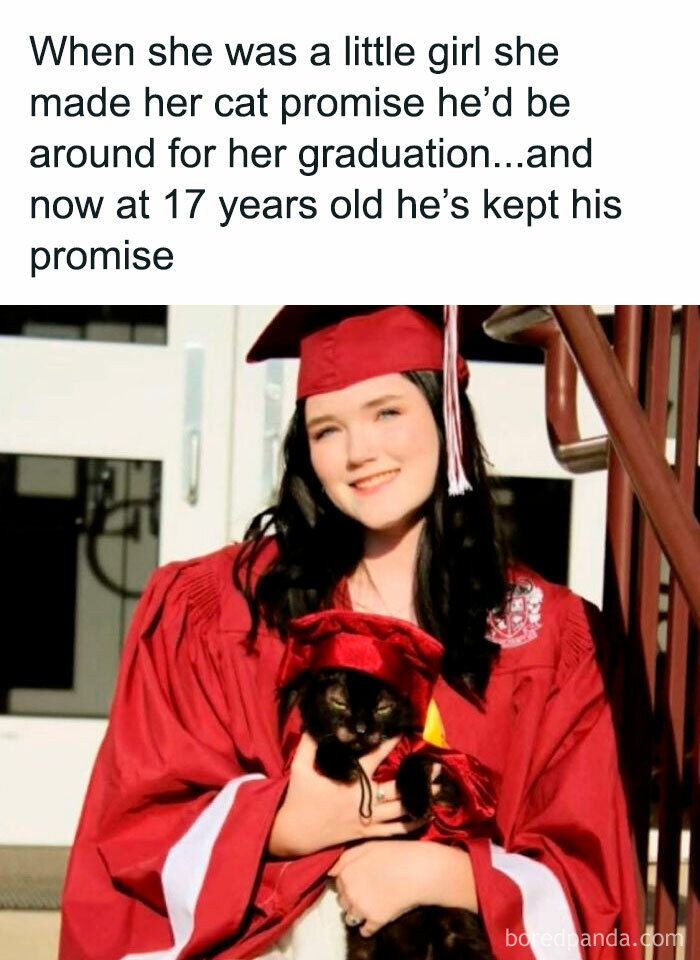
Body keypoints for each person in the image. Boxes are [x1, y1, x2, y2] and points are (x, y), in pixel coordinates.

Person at [59, 305, 642, 960]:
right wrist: (281, 825)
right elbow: (132, 833)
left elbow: (598, 889)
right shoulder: (221, 608)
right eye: (326, 429)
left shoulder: (547, 637)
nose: (358, 452)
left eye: (387, 411)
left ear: (447, 412)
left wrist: (454, 876)